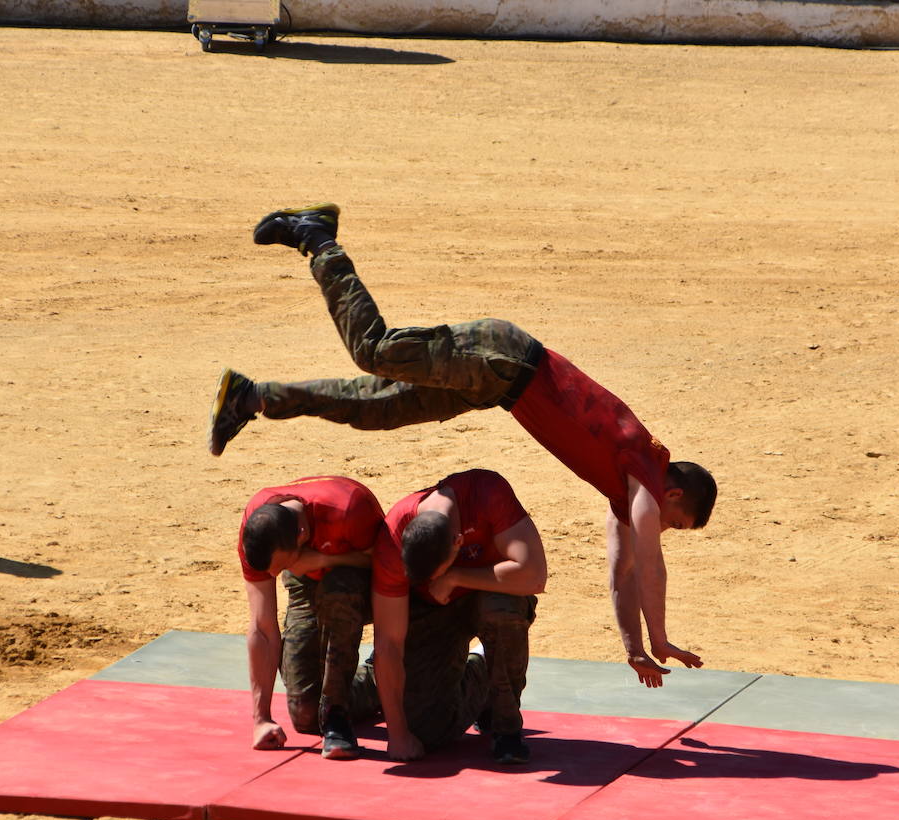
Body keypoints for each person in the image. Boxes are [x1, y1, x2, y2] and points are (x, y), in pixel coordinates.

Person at [210, 203, 717, 694]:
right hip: (505, 358)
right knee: (375, 351)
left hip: (496, 384)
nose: (663, 529)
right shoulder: (648, 475)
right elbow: (650, 565)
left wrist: (634, 648)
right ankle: (317, 237)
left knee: (377, 409)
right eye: (676, 523)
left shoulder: (627, 491)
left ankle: (252, 397)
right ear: (674, 497)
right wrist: (661, 635)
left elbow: (623, 572)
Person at [352, 467, 546, 763]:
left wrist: (455, 576)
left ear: (458, 541)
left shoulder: (486, 492)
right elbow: (388, 642)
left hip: (488, 598)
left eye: (435, 572)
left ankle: (506, 727)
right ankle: (479, 666)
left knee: (502, 610)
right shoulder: (394, 534)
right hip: (433, 611)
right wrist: (399, 735)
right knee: (428, 732)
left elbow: (534, 576)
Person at [238, 475, 384, 759]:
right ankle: (378, 675)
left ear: (302, 533)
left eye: (282, 566)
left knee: (337, 593)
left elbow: (386, 563)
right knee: (306, 715)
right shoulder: (258, 526)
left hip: (355, 577)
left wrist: (325, 560)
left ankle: (337, 716)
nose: (274, 577)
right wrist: (261, 718)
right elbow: (261, 626)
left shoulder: (349, 509)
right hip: (307, 572)